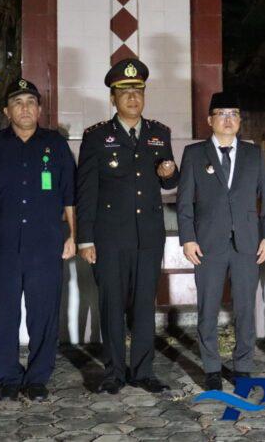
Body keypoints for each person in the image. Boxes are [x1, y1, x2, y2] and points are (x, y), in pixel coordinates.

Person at [0, 78, 76, 401]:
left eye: (30, 102)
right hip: (1, 245)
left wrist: (74, 235)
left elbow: (70, 195)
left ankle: (38, 377)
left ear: (40, 109)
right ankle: (7, 377)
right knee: (3, 313)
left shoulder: (56, 145)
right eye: (17, 103)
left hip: (46, 245)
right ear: (6, 111)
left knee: (44, 314)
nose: (25, 108)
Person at [76, 58, 179, 394]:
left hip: (148, 235)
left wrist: (170, 174)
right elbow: (86, 191)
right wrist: (85, 239)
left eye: (138, 91)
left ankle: (144, 371)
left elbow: (168, 181)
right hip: (110, 237)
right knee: (112, 307)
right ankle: (114, 373)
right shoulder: (96, 137)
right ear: (113, 98)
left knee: (144, 306)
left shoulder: (159, 133)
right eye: (125, 92)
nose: (133, 98)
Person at [176, 92, 265, 391]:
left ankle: (243, 366)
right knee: (207, 308)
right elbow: (184, 202)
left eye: (234, 113)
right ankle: (211, 368)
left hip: (247, 243)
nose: (228, 119)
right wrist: (188, 239)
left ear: (240, 120)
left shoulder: (253, 153)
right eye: (222, 114)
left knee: (246, 308)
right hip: (208, 244)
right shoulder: (195, 154)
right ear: (210, 120)